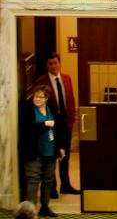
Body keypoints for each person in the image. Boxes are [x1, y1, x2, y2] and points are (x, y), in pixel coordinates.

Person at [33, 53, 78, 196]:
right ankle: (51, 188)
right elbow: (39, 104)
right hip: (50, 125)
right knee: (50, 156)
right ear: (47, 65)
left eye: (55, 63)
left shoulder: (66, 78)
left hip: (66, 124)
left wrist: (72, 117)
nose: (53, 66)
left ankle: (66, 185)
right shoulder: (41, 81)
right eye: (50, 63)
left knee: (65, 156)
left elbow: (70, 99)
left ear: (60, 63)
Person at [19, 86, 59, 217]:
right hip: (32, 151)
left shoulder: (51, 108)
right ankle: (31, 211)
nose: (37, 99)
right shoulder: (27, 109)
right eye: (35, 96)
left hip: (50, 150)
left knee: (48, 180)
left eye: (41, 97)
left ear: (47, 98)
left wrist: (61, 147)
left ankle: (45, 207)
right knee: (33, 180)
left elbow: (60, 127)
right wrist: (45, 125)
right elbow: (28, 131)